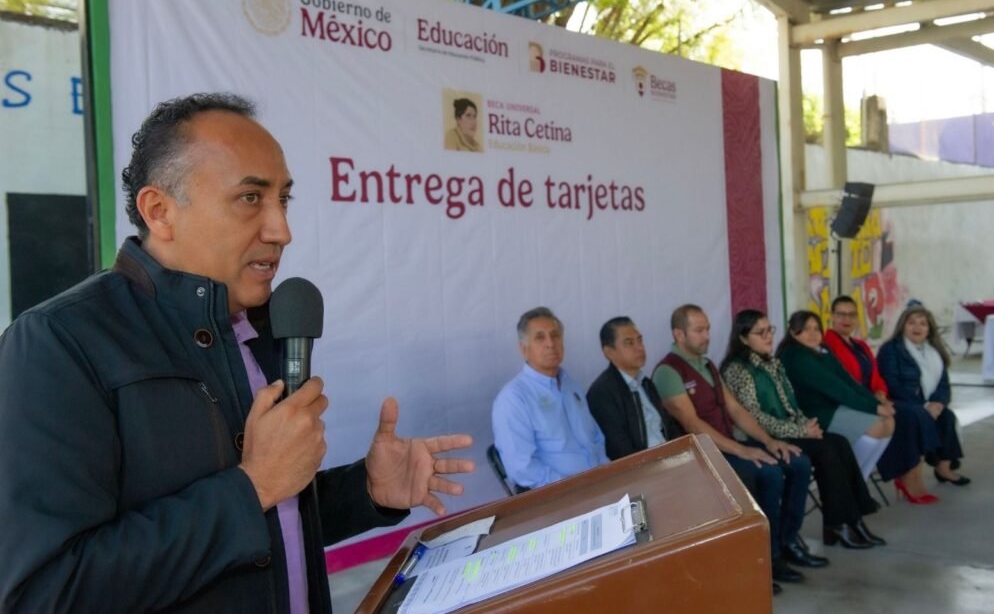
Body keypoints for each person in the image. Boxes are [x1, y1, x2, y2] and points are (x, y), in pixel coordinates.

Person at [0, 93, 475, 614]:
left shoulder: (260, 329)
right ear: (160, 211)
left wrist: (365, 490)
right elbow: (44, 593)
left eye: (284, 199)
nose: (282, 230)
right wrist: (253, 487)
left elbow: (271, 528)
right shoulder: (58, 342)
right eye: (251, 198)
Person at [652, 304, 823, 592]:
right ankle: (763, 560)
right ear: (679, 334)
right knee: (768, 473)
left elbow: (736, 410)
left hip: (727, 445)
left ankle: (787, 543)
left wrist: (769, 441)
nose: (707, 335)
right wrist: (741, 450)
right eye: (699, 330)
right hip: (700, 456)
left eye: (707, 328)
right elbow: (692, 423)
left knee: (796, 461)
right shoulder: (668, 371)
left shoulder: (707, 365)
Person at [721, 310, 884, 550]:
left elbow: (791, 405)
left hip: (788, 431)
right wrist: (800, 431)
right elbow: (754, 417)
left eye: (769, 330)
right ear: (743, 338)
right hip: (761, 437)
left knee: (838, 442)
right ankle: (839, 524)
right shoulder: (738, 370)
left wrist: (806, 426)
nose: (768, 337)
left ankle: (850, 520)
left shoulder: (772, 363)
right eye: (760, 332)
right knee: (827, 450)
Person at [824, 295, 940, 499]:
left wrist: (881, 393)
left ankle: (865, 481)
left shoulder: (860, 345)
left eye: (851, 315)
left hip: (873, 400)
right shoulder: (828, 345)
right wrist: (874, 401)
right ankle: (892, 476)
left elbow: (876, 376)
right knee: (909, 415)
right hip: (851, 403)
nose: (846, 319)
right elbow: (845, 384)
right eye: (841, 314)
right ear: (831, 316)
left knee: (906, 416)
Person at [492, 307, 609, 490]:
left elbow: (595, 439)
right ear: (524, 349)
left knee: (645, 500)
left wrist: (608, 474)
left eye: (555, 335)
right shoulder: (513, 398)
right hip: (558, 494)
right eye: (540, 337)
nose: (550, 343)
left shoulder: (572, 386)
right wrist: (573, 487)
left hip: (600, 483)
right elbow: (522, 469)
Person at [777, 310, 895, 480]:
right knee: (876, 427)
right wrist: (874, 408)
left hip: (833, 406)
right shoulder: (795, 355)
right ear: (793, 332)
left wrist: (877, 404)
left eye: (816, 329)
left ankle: (860, 481)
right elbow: (836, 388)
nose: (813, 334)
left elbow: (848, 381)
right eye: (806, 329)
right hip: (811, 415)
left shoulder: (821, 349)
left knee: (889, 422)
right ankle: (851, 482)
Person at [877, 305, 969, 498]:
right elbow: (891, 383)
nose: (917, 327)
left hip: (926, 404)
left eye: (922, 323)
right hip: (899, 402)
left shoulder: (935, 352)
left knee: (946, 416)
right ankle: (910, 475)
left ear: (929, 329)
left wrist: (938, 403)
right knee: (917, 416)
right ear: (902, 326)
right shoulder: (891, 349)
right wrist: (924, 405)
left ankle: (943, 468)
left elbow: (943, 385)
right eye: (911, 323)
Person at [586, 316, 683, 460]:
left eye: (640, 340)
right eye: (629, 343)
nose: (639, 348)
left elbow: (668, 426)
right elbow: (619, 448)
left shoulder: (646, 383)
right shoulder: (602, 393)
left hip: (669, 458)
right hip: (643, 467)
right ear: (609, 352)